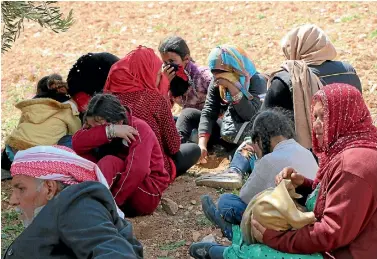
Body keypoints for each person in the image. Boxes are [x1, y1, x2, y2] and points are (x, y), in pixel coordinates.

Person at [189, 83, 377, 259]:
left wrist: (275, 239)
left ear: (344, 116)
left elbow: (331, 233)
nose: (316, 125)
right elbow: (336, 197)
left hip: (344, 252)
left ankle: (224, 251)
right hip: (339, 241)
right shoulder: (352, 151)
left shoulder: (352, 166)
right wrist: (303, 184)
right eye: (315, 117)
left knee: (260, 250)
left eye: (324, 116)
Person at [4, 145, 143, 259]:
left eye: (21, 189)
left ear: (49, 188)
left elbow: (117, 254)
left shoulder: (77, 205)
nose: (13, 200)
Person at [197, 109, 318, 239]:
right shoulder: (305, 151)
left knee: (226, 202)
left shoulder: (269, 160)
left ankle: (234, 232)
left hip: (285, 222)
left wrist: (259, 159)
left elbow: (245, 197)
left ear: (259, 139)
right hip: (308, 216)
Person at [103, 46, 201, 180]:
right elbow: (173, 147)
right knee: (193, 150)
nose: (160, 77)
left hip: (117, 166)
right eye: (158, 74)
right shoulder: (154, 99)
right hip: (152, 170)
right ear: (146, 73)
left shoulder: (107, 99)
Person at [262, 24, 362, 149]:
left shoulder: (285, 79)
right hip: (350, 146)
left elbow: (263, 126)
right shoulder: (349, 71)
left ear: (294, 48)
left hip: (305, 157)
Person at [72, 94, 170, 216]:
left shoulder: (138, 128)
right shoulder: (106, 126)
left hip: (143, 192)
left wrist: (114, 204)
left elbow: (137, 170)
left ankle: (94, 207)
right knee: (84, 154)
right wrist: (109, 131)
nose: (93, 130)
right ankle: (91, 202)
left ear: (118, 121)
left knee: (109, 162)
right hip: (117, 187)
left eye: (99, 128)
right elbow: (77, 143)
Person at [197, 45, 267, 164]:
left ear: (235, 68)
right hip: (228, 130)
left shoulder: (257, 81)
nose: (217, 76)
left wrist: (233, 88)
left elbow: (252, 115)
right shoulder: (217, 81)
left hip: (249, 133)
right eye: (214, 72)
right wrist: (201, 144)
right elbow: (209, 111)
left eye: (222, 72)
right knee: (189, 115)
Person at [3, 74, 81, 163]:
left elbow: (20, 125)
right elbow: (77, 132)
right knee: (71, 139)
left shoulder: (31, 105)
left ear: (38, 91)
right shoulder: (67, 107)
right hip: (40, 156)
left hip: (14, 150)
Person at [158, 36, 212, 141]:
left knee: (187, 115)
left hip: (208, 123)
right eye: (165, 62)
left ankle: (179, 146)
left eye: (172, 61)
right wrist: (164, 85)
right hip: (189, 123)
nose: (168, 66)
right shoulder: (168, 78)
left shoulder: (203, 76)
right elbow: (163, 110)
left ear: (186, 59)